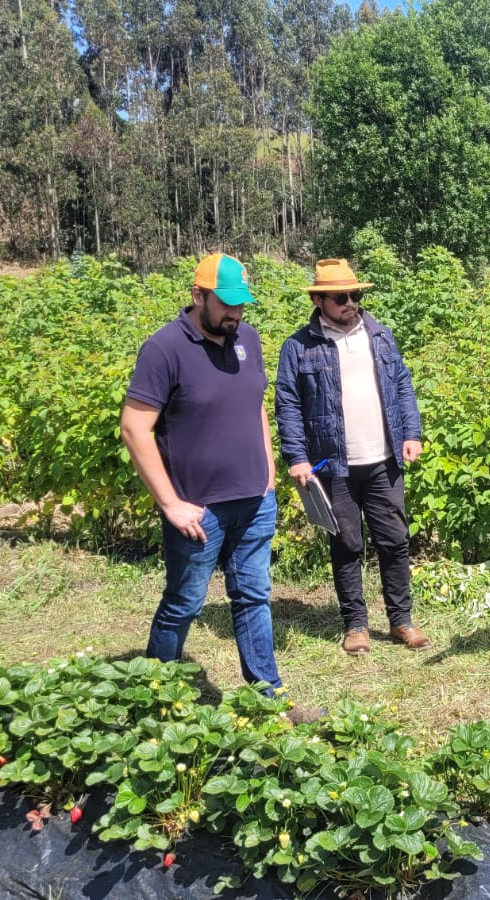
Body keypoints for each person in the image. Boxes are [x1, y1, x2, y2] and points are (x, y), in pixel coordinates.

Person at [120, 253, 321, 722]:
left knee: (253, 597)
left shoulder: (247, 339)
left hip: (254, 500)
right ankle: (152, 702)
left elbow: (255, 406)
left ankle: (267, 699)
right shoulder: (164, 348)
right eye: (226, 305)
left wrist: (269, 473)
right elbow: (134, 427)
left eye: (241, 305)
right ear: (198, 296)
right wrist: (170, 503)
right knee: (184, 602)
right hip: (197, 510)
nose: (235, 314)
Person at [274, 258, 428, 656]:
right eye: (340, 297)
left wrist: (411, 432)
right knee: (346, 544)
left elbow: (403, 384)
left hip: (384, 460)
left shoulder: (379, 335)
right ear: (320, 301)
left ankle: (401, 621)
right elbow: (287, 404)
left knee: (394, 541)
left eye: (355, 295)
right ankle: (356, 625)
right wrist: (296, 456)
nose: (350, 303)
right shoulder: (298, 346)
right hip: (333, 464)